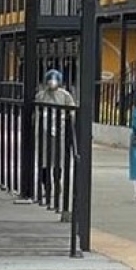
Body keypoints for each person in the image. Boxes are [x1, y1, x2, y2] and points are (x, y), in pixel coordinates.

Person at [35, 68, 76, 202]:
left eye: (54, 80)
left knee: (58, 159)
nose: (52, 83)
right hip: (44, 132)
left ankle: (57, 182)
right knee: (44, 160)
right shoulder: (41, 95)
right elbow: (36, 111)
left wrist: (70, 119)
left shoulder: (65, 95)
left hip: (60, 131)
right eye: (50, 80)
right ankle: (46, 185)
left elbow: (72, 110)